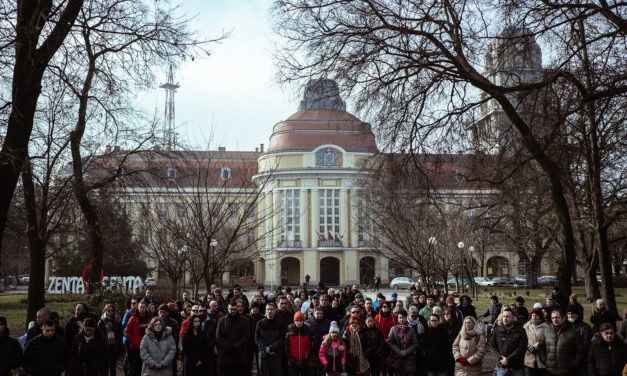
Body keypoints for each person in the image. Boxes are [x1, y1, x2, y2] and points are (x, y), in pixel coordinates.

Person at [538, 309, 584, 376]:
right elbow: (541, 348)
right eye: (553, 318)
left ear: (564, 318)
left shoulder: (573, 332)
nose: (554, 320)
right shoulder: (546, 331)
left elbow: (581, 351)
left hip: (567, 371)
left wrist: (573, 364)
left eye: (557, 317)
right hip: (550, 371)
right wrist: (545, 361)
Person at [489, 307, 527, 376]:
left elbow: (521, 348)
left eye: (508, 317)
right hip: (501, 367)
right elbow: (492, 346)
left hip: (517, 367)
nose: (505, 318)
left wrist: (508, 360)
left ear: (513, 318)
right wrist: (500, 358)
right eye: (503, 316)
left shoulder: (521, 331)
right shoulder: (496, 330)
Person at [216, 299, 250, 376]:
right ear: (228, 308)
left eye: (234, 309)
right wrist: (229, 346)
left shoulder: (244, 320)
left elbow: (246, 335)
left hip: (239, 355)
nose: (233, 311)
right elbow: (218, 337)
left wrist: (236, 346)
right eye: (231, 309)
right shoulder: (221, 321)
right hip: (225, 355)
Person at [255, 302, 285, 376]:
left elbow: (282, 338)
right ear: (265, 311)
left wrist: (271, 348)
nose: (270, 311)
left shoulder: (280, 323)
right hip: (263, 355)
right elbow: (257, 338)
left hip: (276, 354)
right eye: (268, 309)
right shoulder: (260, 323)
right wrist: (265, 348)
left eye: (271, 309)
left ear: (275, 310)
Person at [386, 309, 417, 376]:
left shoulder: (411, 329)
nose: (401, 319)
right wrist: (398, 351)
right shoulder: (393, 329)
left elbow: (415, 343)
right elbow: (390, 341)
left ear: (406, 318)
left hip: (409, 357)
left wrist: (406, 351)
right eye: (400, 317)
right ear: (397, 318)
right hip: (397, 357)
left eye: (403, 317)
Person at [126, 301, 153, 376]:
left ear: (146, 308)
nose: (142, 309)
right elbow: (127, 331)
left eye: (144, 307)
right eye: (141, 307)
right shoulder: (133, 318)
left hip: (148, 347)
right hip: (136, 347)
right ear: (138, 308)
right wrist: (133, 341)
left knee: (146, 367)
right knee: (135, 368)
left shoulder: (150, 318)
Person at [98, 303, 123, 376]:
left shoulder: (117, 320)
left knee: (113, 367)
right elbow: (99, 335)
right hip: (105, 347)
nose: (110, 312)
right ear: (105, 311)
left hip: (115, 346)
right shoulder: (101, 322)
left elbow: (120, 334)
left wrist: (118, 346)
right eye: (108, 310)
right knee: (105, 367)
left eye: (111, 310)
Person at [285, 311, 313, 376]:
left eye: (301, 321)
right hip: (292, 362)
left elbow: (311, 347)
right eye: (297, 321)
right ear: (294, 321)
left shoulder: (308, 332)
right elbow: (286, 348)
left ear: (303, 321)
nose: (299, 323)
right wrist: (291, 358)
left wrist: (306, 358)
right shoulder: (289, 333)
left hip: (305, 362)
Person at [523, 308, 547, 376]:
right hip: (529, 357)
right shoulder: (526, 326)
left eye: (536, 315)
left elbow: (546, 339)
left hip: (542, 358)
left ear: (540, 316)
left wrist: (535, 347)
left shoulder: (546, 327)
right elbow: (523, 338)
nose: (534, 317)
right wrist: (529, 347)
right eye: (533, 315)